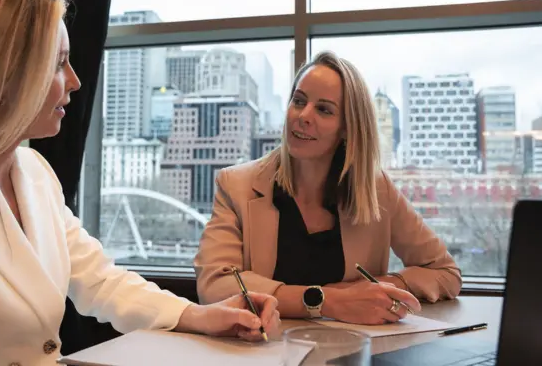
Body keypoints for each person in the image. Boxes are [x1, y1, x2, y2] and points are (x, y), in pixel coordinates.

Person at [0, 0, 280, 366]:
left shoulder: (35, 172)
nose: (75, 81)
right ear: (1, 73)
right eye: (59, 64)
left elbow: (98, 279)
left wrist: (200, 315)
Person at [194, 51, 462, 326]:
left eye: (324, 110)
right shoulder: (236, 185)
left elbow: (445, 272)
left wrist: (384, 285)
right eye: (298, 101)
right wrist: (327, 300)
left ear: (348, 127)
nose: (303, 116)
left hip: (355, 351)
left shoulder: (376, 188)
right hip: (264, 351)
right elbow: (214, 286)